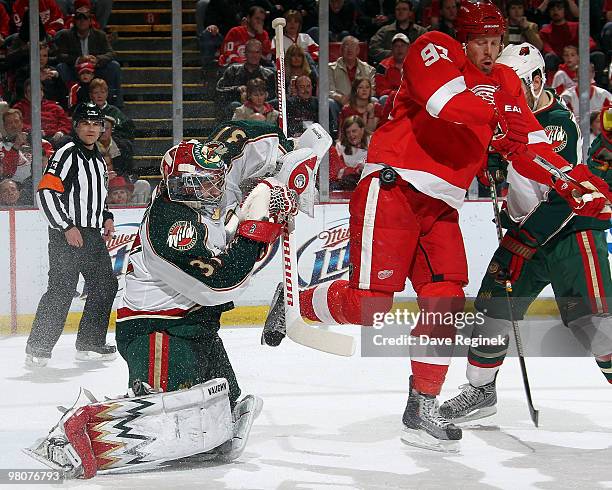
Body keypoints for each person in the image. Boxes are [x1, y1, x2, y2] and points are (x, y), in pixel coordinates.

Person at [262, 0, 612, 451]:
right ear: (465, 37)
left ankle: (423, 404)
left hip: (443, 207)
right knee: (372, 306)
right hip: (395, 187)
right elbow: (446, 102)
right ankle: (296, 302)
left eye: (495, 42)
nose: (489, 50)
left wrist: (570, 180)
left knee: (445, 299)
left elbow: (534, 145)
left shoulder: (504, 81)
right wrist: (503, 124)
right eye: (482, 41)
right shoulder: (435, 48)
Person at [440, 44, 612, 423]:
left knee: (597, 329)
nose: (507, 95)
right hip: (525, 234)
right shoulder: (506, 118)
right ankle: (481, 391)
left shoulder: (557, 124)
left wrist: (525, 240)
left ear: (537, 80)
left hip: (571, 234)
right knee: (490, 311)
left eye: (515, 85)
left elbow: (561, 196)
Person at [25, 102, 118, 368]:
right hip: (67, 235)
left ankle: (90, 342)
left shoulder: (98, 157)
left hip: (90, 234)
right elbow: (45, 192)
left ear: (102, 128)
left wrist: (106, 216)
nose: (91, 128)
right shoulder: (67, 153)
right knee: (62, 290)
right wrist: (66, 226)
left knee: (105, 285)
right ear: (76, 126)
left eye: (95, 123)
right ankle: (38, 347)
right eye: (85, 123)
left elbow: (96, 196)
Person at [54, 2, 123, 107]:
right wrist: (78, 59)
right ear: (75, 21)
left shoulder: (100, 35)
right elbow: (60, 55)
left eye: (85, 18)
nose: (82, 21)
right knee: (61, 67)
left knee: (114, 66)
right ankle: (65, 103)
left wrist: (97, 59)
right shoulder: (66, 35)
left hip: (95, 70)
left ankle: (116, 104)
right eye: (78, 18)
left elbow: (111, 53)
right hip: (75, 70)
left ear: (90, 21)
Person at [215, 39, 275, 120]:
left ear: (261, 54)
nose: (254, 55)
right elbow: (218, 90)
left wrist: (257, 97)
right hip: (239, 109)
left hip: (262, 109)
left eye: (257, 52)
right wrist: (237, 90)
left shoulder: (269, 74)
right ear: (245, 53)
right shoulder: (232, 70)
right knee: (234, 106)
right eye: (251, 52)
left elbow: (273, 95)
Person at [329, 115, 370, 191]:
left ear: (362, 130)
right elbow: (339, 171)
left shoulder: (372, 142)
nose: (351, 135)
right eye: (348, 132)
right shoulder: (340, 146)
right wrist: (357, 170)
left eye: (354, 131)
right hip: (349, 182)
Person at [375, 33, 409, 107]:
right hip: (390, 99)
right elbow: (380, 91)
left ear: (408, 48)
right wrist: (398, 93)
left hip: (410, 97)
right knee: (384, 98)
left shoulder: (415, 64)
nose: (399, 49)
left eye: (402, 45)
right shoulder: (383, 66)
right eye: (396, 46)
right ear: (392, 49)